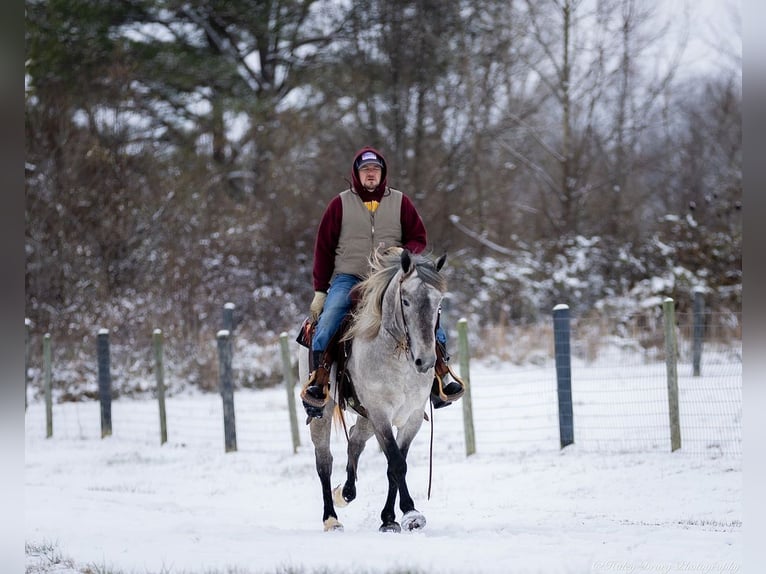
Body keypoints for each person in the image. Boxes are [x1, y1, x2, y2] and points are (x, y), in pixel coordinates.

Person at [300, 146, 464, 419]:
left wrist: (404, 252)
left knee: (425, 312)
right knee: (329, 319)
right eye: (365, 170)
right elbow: (323, 249)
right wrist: (320, 289)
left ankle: (441, 376)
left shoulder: (400, 202)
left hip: (391, 276)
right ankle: (319, 381)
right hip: (349, 276)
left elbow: (419, 238)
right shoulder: (339, 204)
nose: (371, 174)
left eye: (375, 170)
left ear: (382, 173)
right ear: (357, 174)